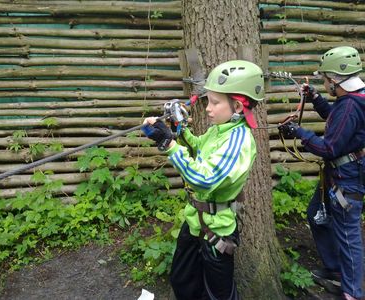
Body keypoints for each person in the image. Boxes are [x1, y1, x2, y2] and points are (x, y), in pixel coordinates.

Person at [141, 60, 264, 300]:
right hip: (195, 221)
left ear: (238, 106)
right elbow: (198, 149)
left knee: (219, 295)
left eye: (215, 102)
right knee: (182, 280)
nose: (208, 108)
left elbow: (205, 179)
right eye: (208, 100)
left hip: (216, 230)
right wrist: (177, 131)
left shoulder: (239, 141)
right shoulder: (219, 129)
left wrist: (169, 145)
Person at [278, 46, 365, 300]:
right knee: (316, 215)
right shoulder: (354, 99)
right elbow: (337, 120)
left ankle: (353, 293)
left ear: (335, 79)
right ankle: (334, 269)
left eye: (325, 79)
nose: (324, 82)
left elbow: (329, 147)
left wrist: (299, 133)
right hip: (340, 174)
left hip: (346, 178)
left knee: (349, 237)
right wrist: (316, 97)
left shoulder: (351, 105)